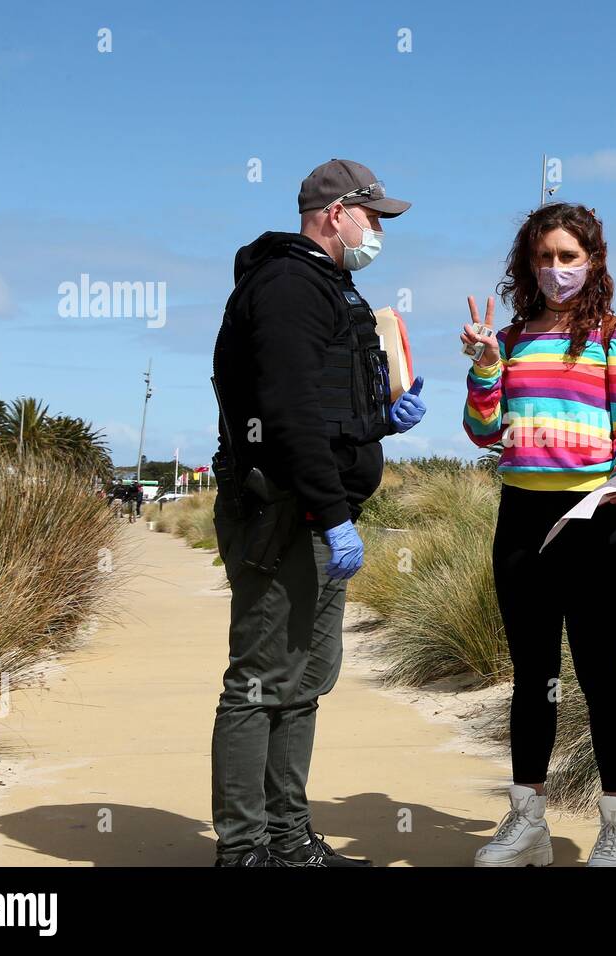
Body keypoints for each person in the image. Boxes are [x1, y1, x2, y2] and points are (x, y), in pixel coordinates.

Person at [209, 159, 425, 868]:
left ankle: (287, 840)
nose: (378, 231)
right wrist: (332, 513)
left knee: (301, 684)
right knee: (259, 682)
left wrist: (381, 422)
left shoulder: (331, 287)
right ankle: (243, 852)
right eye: (374, 217)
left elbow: (326, 409)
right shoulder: (290, 286)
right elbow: (290, 412)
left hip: (314, 511)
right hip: (284, 514)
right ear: (336, 213)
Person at [461, 202, 616, 867]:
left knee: (602, 675)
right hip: (521, 520)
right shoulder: (511, 339)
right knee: (532, 677)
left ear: (592, 261)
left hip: (596, 522)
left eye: (568, 256)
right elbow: (486, 433)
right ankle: (528, 824)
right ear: (527, 264)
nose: (555, 269)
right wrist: (486, 367)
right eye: (544, 257)